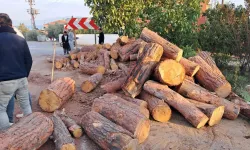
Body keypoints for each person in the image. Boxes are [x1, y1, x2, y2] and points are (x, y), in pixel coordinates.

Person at [0, 13, 32, 130]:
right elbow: (28, 60)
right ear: (11, 25)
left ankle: (6, 136)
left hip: (3, 82)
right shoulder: (20, 40)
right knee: (26, 107)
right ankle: (32, 131)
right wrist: (24, 75)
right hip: (21, 79)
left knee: (1, 109)